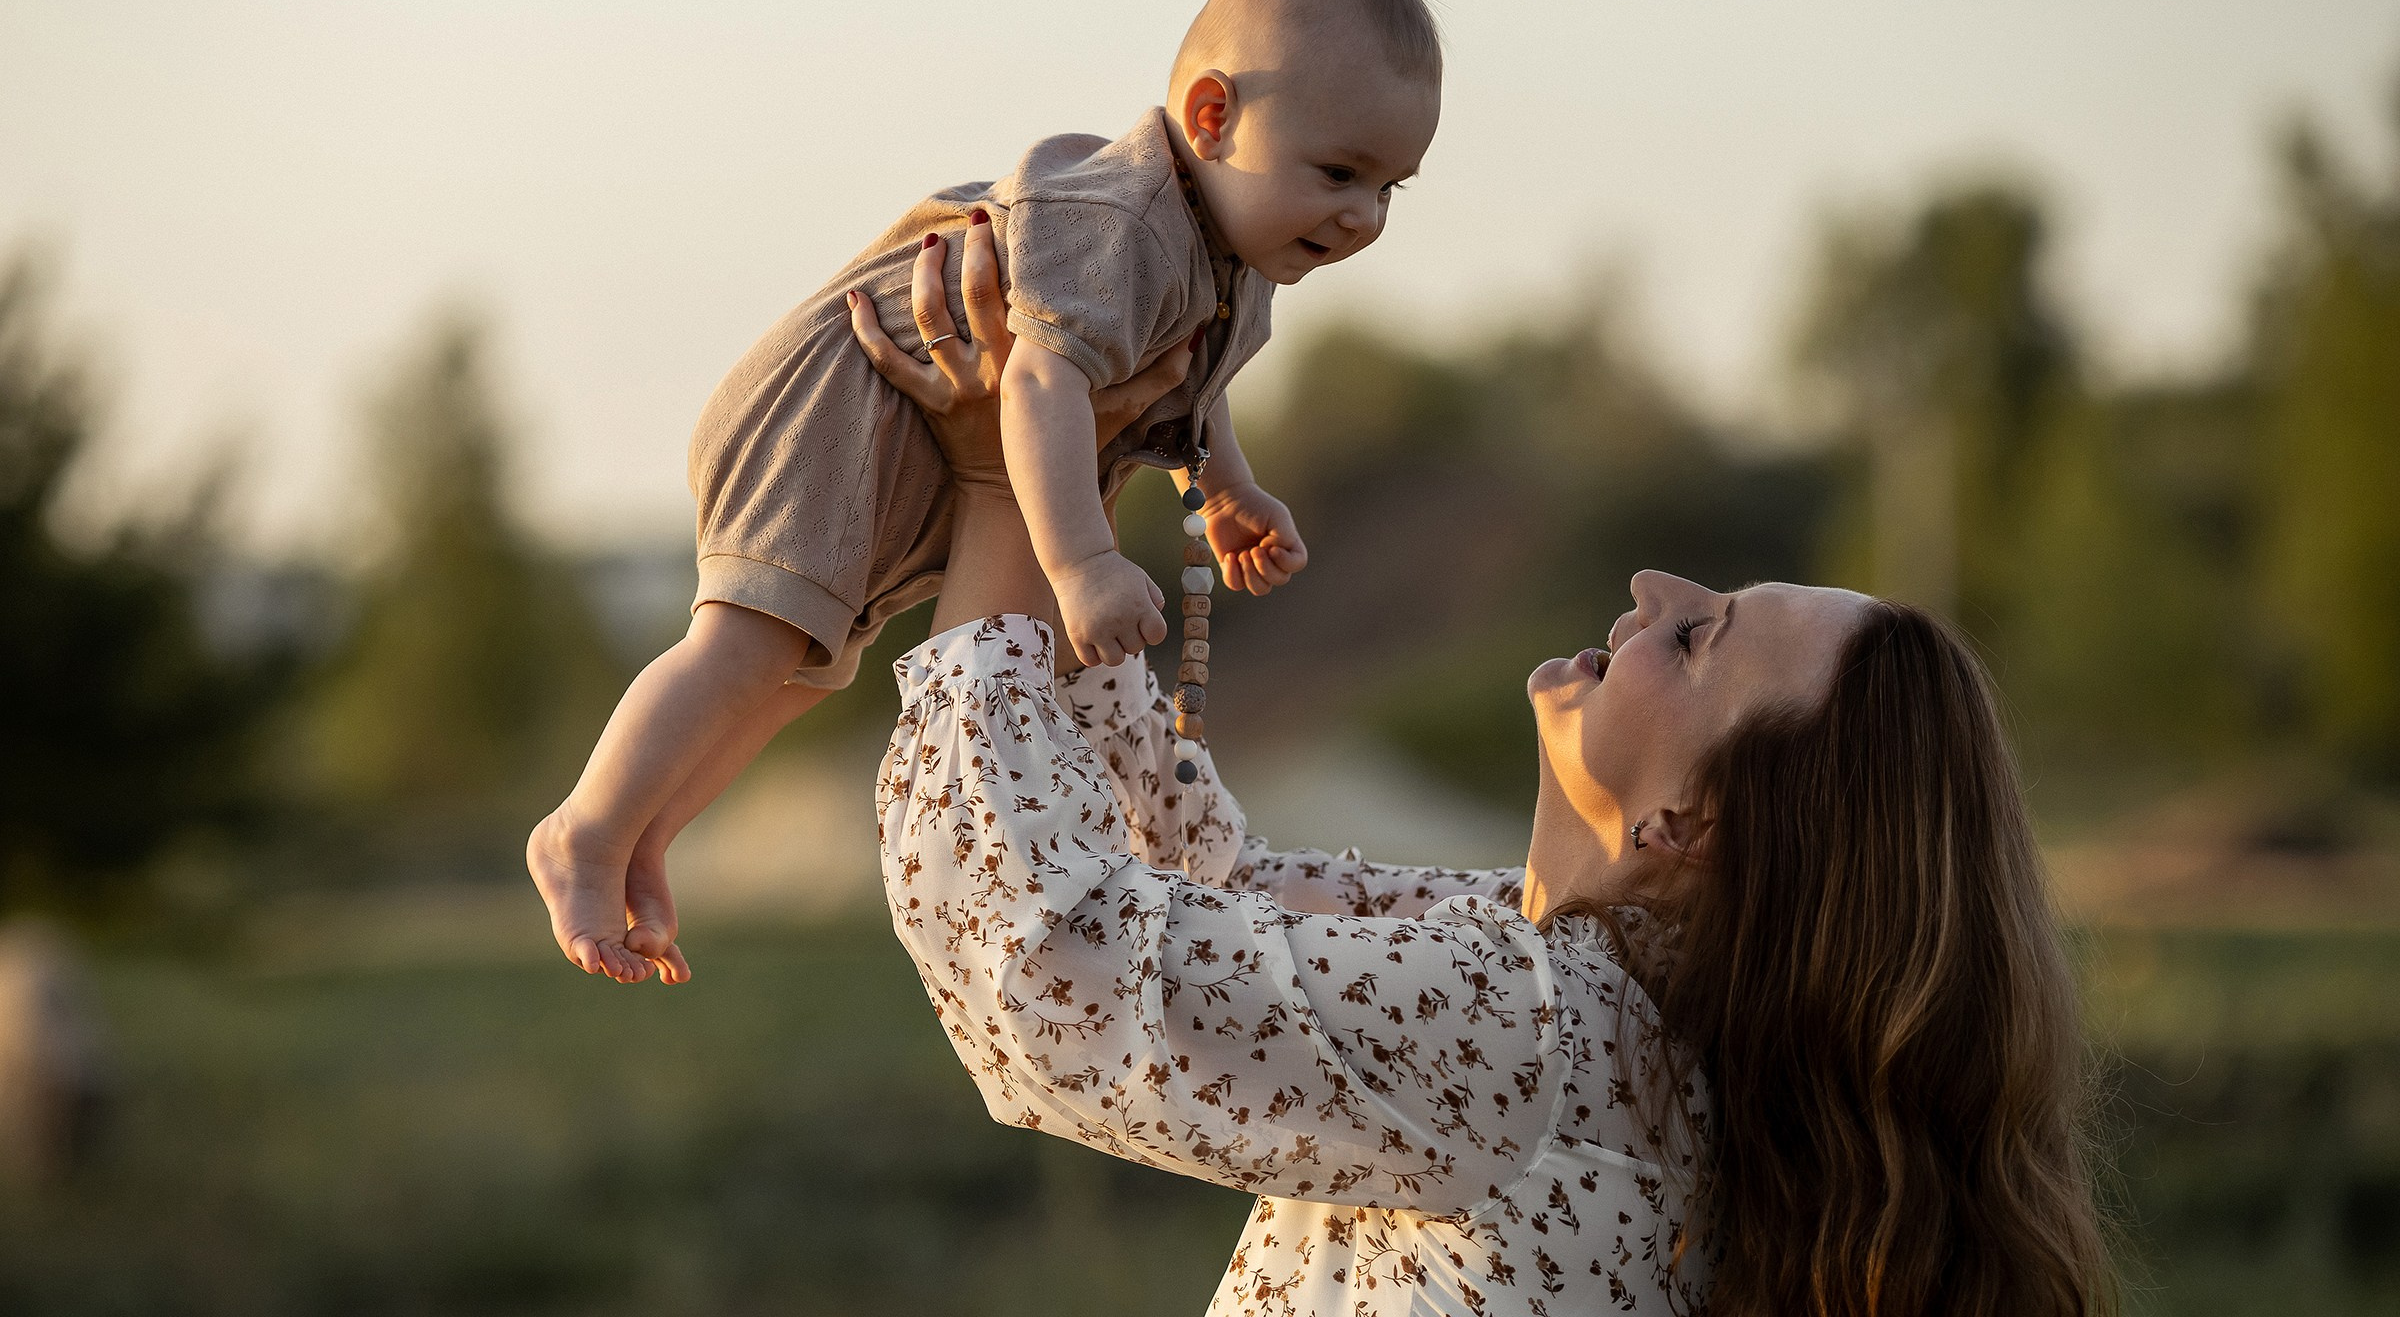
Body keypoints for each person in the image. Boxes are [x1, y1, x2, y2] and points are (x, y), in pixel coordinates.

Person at [852, 222, 2116, 1315]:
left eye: (1695, 634)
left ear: (1688, 819)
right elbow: (1219, 889)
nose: (1650, 587)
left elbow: (1048, 969)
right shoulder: (1597, 1003)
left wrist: (988, 484)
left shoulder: (1537, 1026)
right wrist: (1071, 462)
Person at [528, 0, 1445, 984]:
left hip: (912, 438)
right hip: (838, 402)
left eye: (1390, 190)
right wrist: (1084, 562)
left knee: (800, 672)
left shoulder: (1236, 255)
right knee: (748, 640)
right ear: (1212, 118)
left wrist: (1224, 486)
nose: (1361, 216)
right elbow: (1042, 380)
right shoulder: (1127, 227)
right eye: (1340, 172)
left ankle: (646, 830)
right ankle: (582, 834)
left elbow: (1194, 380)